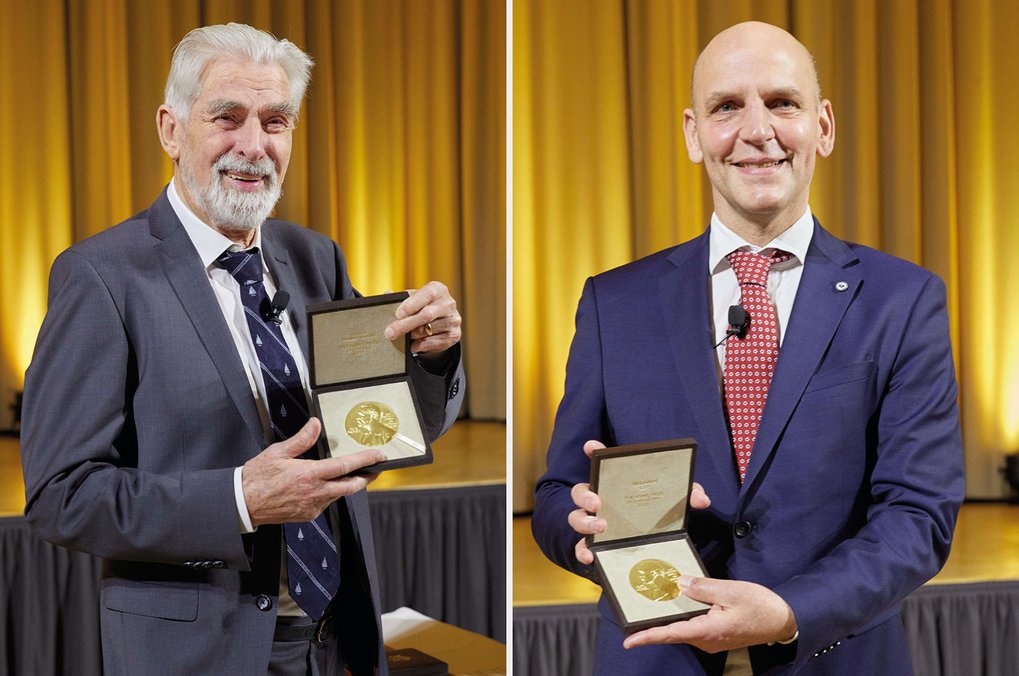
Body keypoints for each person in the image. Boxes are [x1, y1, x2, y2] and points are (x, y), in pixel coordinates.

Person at [20, 23, 464, 676]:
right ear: (171, 130)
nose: (254, 146)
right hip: (199, 653)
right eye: (227, 118)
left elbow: (386, 430)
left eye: (275, 122)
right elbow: (61, 497)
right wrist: (238, 501)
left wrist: (431, 358)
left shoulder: (315, 258)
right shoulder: (102, 277)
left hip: (334, 641)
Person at [532, 21, 963, 675]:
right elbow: (556, 491)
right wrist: (580, 526)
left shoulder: (901, 299)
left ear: (822, 126)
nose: (757, 130)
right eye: (726, 107)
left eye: (781, 103)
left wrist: (789, 611)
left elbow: (918, 514)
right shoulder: (611, 302)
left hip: (830, 655)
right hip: (655, 656)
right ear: (692, 133)